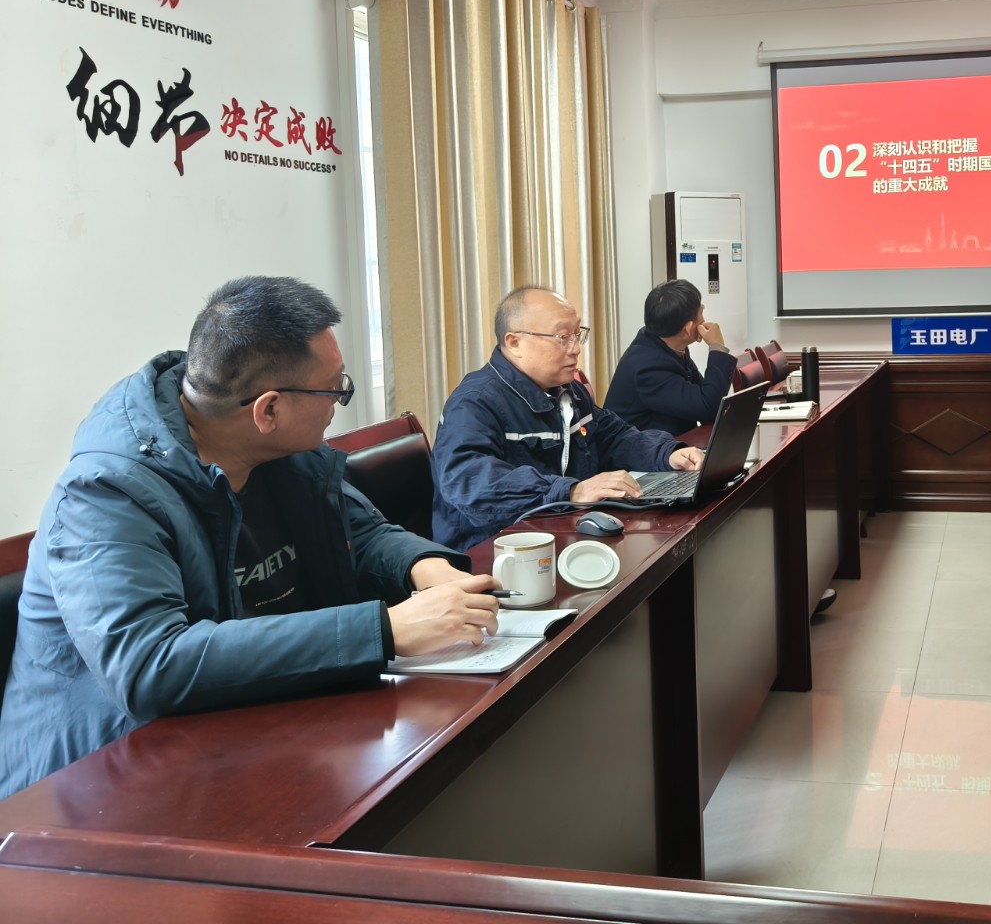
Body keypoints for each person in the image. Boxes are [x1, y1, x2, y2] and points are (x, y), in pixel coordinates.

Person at [0, 276, 497, 798]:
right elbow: (150, 666)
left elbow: (361, 531)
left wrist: (425, 568)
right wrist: (385, 630)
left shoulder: (277, 450)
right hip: (92, 790)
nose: (339, 403)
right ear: (268, 410)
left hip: (243, 731)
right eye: (335, 389)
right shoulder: (104, 495)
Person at [432, 286, 704, 551]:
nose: (575, 349)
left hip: (561, 533)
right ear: (514, 343)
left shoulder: (567, 391)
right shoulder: (474, 402)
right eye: (562, 337)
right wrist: (571, 492)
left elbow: (612, 435)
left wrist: (667, 454)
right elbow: (469, 481)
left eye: (577, 335)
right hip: (492, 552)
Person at [604, 279, 737, 435]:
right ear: (689, 328)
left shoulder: (664, 342)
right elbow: (709, 407)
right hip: (640, 449)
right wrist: (717, 347)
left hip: (669, 442)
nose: (704, 318)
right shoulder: (648, 368)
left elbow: (707, 398)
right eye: (701, 311)